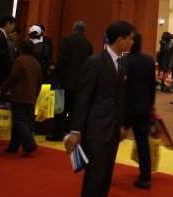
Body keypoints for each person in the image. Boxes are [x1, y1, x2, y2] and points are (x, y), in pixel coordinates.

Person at [65, 21, 134, 197]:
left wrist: (121, 125)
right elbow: (83, 98)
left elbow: (120, 98)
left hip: (113, 130)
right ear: (120, 40)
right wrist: (76, 130)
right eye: (130, 38)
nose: (132, 42)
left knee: (106, 176)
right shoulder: (94, 62)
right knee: (95, 176)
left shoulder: (123, 63)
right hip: (95, 129)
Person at [49, 21, 93, 141]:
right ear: (84, 30)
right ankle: (69, 133)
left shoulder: (67, 40)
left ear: (74, 28)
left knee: (61, 109)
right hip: (80, 84)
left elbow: (61, 60)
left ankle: (57, 134)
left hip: (65, 81)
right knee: (74, 110)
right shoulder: (88, 45)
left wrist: (56, 76)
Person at [122, 33, 156, 190]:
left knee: (112, 142)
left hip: (126, 109)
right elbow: (152, 85)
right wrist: (151, 104)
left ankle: (104, 172)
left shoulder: (124, 60)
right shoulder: (148, 60)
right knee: (143, 144)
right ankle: (145, 177)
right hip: (143, 108)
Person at [0, 40, 43, 156]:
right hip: (31, 97)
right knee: (22, 122)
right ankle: (13, 147)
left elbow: (13, 77)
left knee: (19, 121)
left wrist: (2, 89)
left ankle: (30, 144)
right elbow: (39, 82)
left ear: (21, 49)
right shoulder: (36, 63)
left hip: (20, 96)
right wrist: (35, 95)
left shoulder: (19, 60)